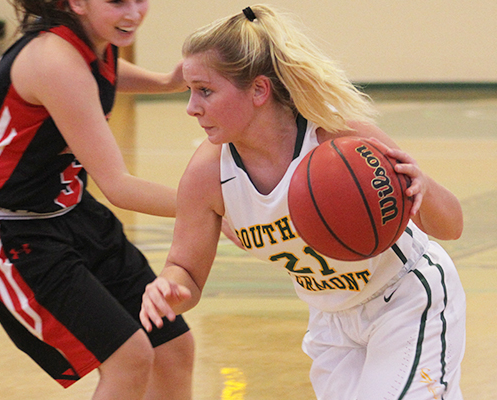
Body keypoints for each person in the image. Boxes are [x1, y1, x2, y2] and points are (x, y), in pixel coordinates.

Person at [140, 5, 466, 399]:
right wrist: (170, 289)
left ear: (259, 90)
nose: (191, 107)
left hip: (405, 299)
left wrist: (421, 185)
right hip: (330, 323)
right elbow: (185, 271)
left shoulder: (340, 141)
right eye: (190, 91)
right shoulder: (207, 176)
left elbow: (452, 227)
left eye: (205, 90)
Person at [0, 0, 194, 399]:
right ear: (77, 2)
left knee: (171, 346)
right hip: (4, 230)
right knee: (129, 357)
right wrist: (218, 209)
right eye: (117, 1)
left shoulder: (93, 42)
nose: (133, 11)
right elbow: (119, 186)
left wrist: (166, 81)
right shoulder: (53, 60)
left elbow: (104, 73)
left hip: (70, 211)